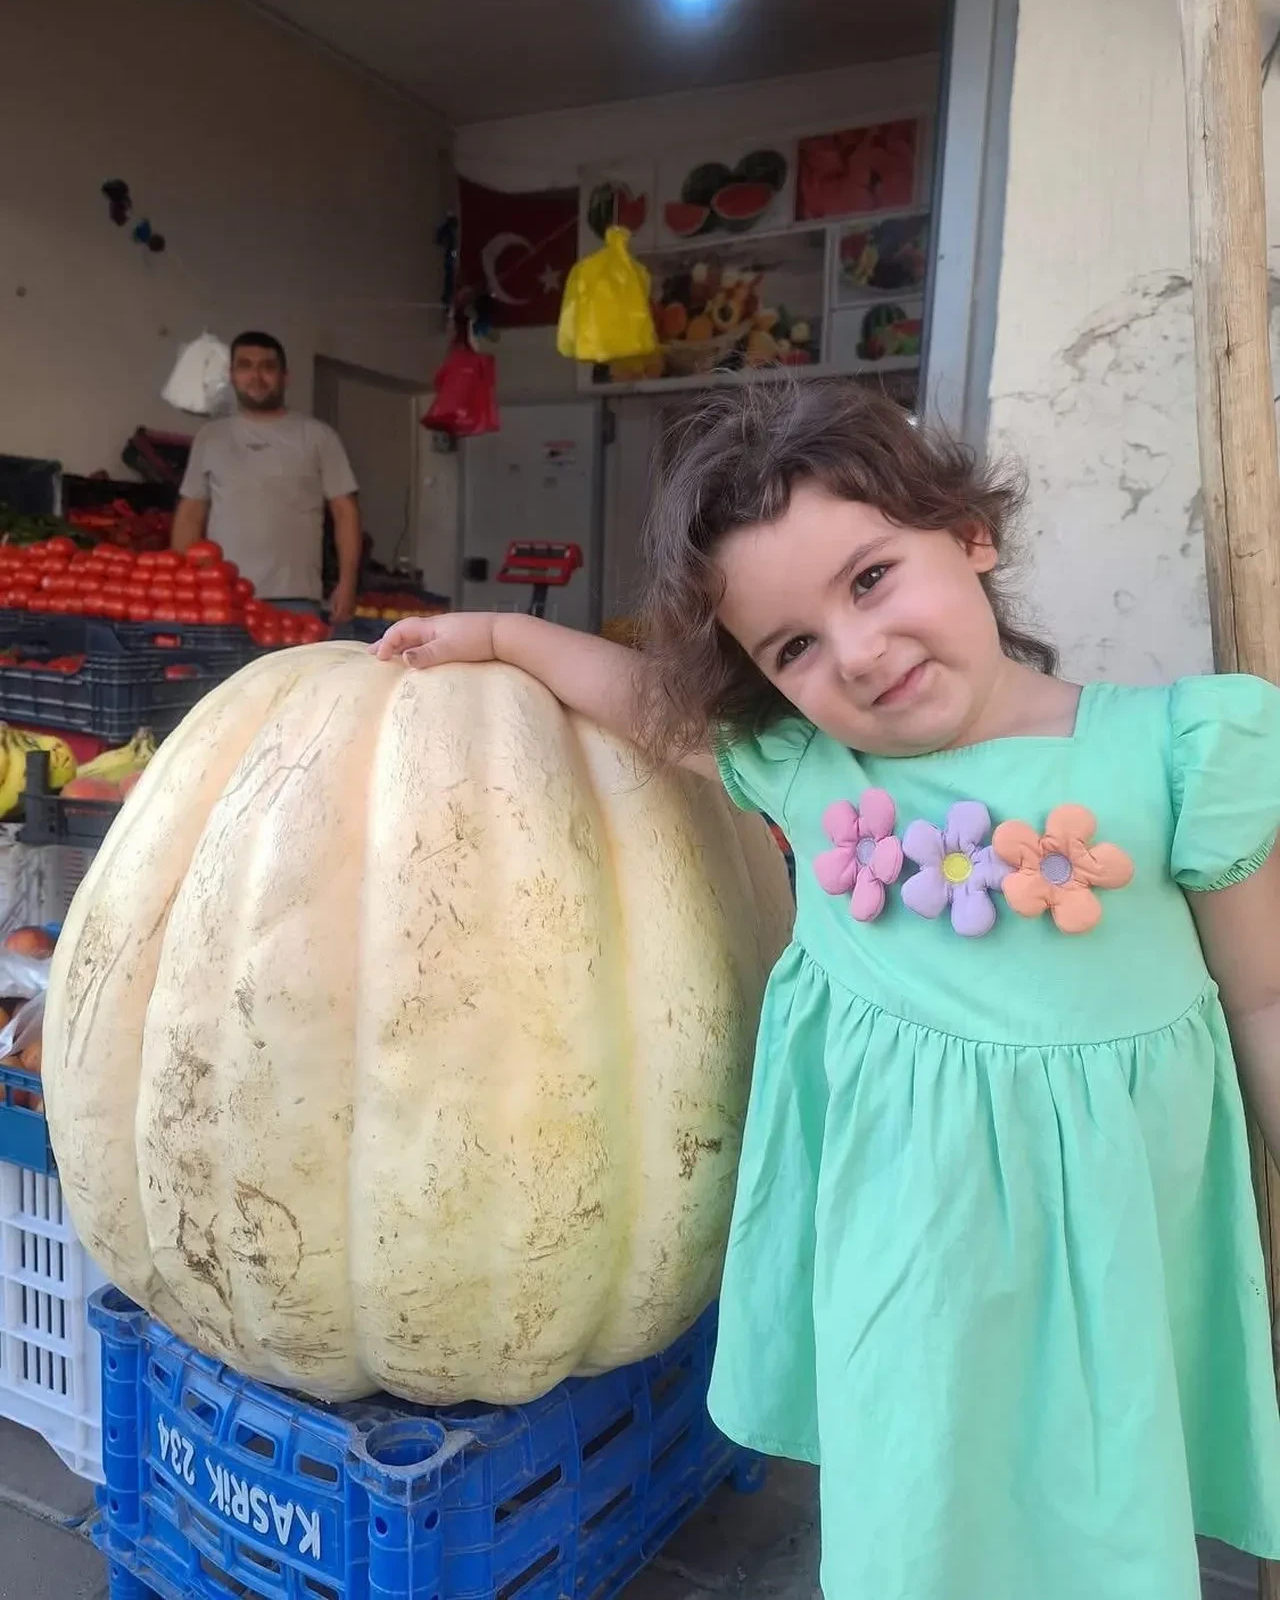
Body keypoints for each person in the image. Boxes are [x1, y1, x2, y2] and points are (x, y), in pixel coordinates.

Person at [374, 378, 1280, 1600]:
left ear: (968, 533)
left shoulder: (1180, 750)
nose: (856, 652)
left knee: (1098, 1485)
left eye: (869, 577)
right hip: (902, 1232)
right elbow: (643, 703)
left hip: (1104, 1230)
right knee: (906, 1483)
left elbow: (1261, 992)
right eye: (792, 644)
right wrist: (496, 634)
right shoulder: (807, 770)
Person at [172, 331, 362, 621]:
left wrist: (348, 582)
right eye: (245, 366)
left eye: (268, 367)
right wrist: (182, 584)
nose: (256, 376)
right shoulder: (210, 437)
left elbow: (345, 512)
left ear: (285, 376)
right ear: (232, 374)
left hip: (295, 599)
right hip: (221, 595)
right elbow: (190, 513)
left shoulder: (319, 436)